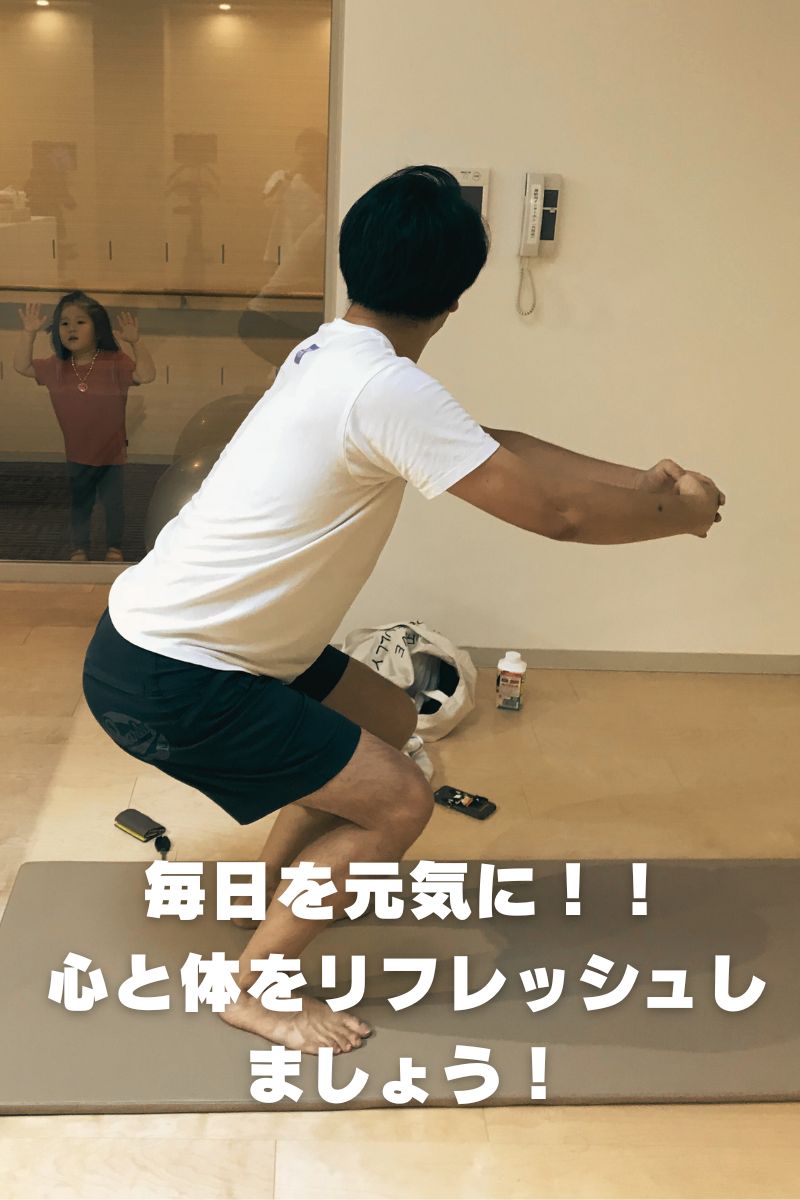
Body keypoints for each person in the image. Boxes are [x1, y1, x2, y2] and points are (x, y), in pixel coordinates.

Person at [81, 165, 725, 1056]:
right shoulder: (383, 388)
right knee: (397, 802)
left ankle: (275, 897)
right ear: (455, 300)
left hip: (175, 642)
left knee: (388, 718)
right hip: (177, 674)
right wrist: (677, 518)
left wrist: (639, 481)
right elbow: (559, 516)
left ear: (355, 264)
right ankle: (254, 989)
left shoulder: (337, 354)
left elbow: (496, 445)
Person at [13, 291, 156, 562]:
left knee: (113, 504)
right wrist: (28, 333)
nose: (71, 329)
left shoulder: (114, 362)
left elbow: (147, 375)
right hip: (77, 453)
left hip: (112, 453)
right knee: (80, 503)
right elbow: (22, 366)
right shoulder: (57, 366)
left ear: (98, 328)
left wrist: (136, 342)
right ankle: (79, 547)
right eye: (64, 323)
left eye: (80, 322)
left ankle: (114, 547)